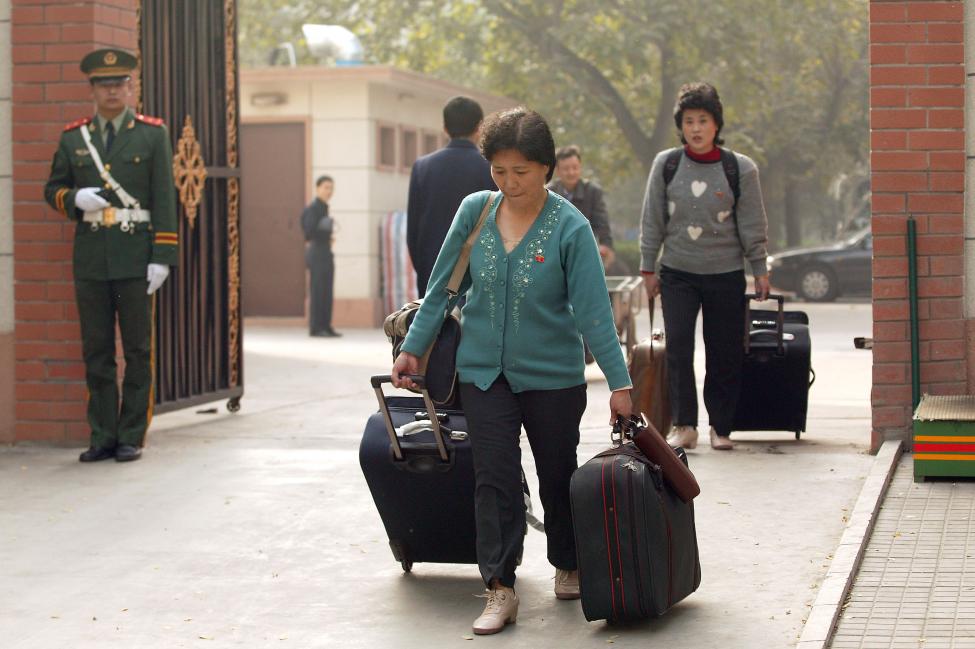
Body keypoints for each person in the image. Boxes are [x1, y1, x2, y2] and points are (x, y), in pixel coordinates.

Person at [391, 107, 633, 635]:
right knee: (493, 478)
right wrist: (413, 347)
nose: (509, 182)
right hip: (483, 375)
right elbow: (442, 289)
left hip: (554, 377)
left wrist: (620, 384)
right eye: (499, 170)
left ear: (546, 167)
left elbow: (594, 313)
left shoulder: (571, 226)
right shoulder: (476, 212)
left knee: (555, 472)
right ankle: (499, 587)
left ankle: (567, 559)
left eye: (521, 171)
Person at [44, 48, 178, 463]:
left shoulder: (152, 134)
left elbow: (163, 198)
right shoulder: (73, 138)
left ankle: (131, 435)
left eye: (120, 84)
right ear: (93, 90)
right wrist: (72, 198)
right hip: (91, 260)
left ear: (131, 87)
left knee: (137, 350)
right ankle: (102, 434)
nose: (113, 91)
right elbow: (53, 189)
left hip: (136, 259)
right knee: (97, 350)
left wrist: (163, 255)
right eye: (105, 85)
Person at [639, 81, 770, 452]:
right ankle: (684, 424)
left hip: (725, 274)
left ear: (716, 125)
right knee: (678, 348)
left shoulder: (739, 168)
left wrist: (759, 268)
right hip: (678, 273)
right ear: (681, 125)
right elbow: (652, 219)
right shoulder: (666, 164)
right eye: (689, 121)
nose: (695, 128)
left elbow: (752, 223)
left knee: (723, 352)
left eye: (703, 120)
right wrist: (649, 267)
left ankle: (721, 427)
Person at [406, 96, 496, 297]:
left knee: (436, 327)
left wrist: (424, 269)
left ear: (445, 128)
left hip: (433, 271)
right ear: (480, 127)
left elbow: (413, 231)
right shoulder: (491, 169)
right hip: (478, 274)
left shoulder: (422, 167)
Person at [548, 145, 615, 268]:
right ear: (557, 170)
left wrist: (606, 245)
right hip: (555, 252)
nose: (571, 172)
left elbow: (602, 223)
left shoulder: (593, 191)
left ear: (580, 167)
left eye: (575, 168)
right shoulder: (548, 193)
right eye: (566, 169)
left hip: (585, 249)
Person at [301, 175, 340, 337]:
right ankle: (316, 327)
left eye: (331, 187)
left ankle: (326, 325)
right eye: (325, 187)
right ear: (317, 188)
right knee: (317, 290)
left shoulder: (324, 207)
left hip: (325, 252)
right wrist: (324, 230)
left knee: (327, 290)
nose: (329, 191)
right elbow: (308, 231)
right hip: (316, 252)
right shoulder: (313, 208)